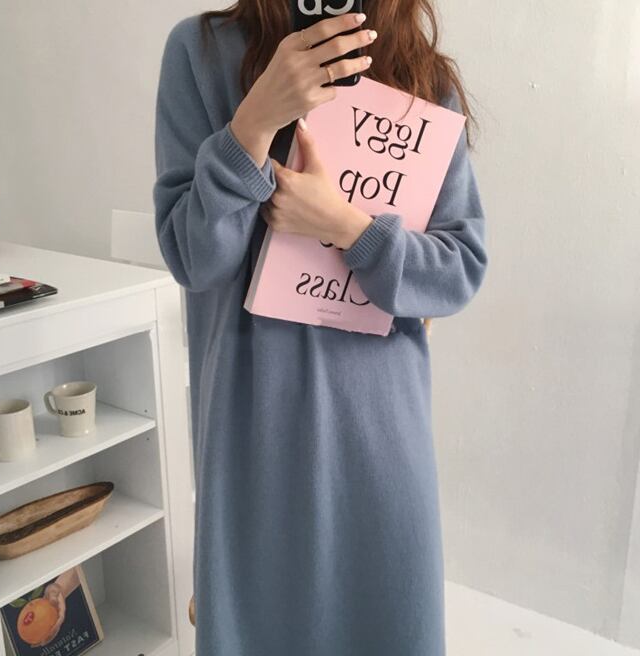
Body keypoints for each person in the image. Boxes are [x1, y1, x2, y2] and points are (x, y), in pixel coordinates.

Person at [153, 2, 488, 654]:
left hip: (380, 435)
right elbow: (195, 259)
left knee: (384, 626)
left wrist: (347, 227)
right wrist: (252, 124)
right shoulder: (201, 52)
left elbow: (459, 269)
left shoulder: (419, 74)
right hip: (254, 436)